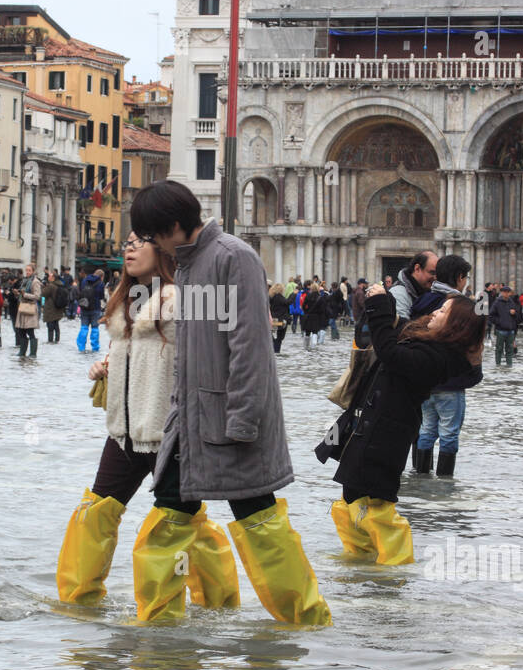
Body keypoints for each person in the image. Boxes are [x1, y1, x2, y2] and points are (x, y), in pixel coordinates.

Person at [128, 181, 331, 625]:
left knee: (261, 524)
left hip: (235, 424)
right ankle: (159, 628)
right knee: (169, 516)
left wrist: (241, 422)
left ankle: (306, 622)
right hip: (193, 425)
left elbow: (251, 347)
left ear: (175, 225)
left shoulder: (233, 257)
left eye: (154, 234)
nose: (151, 244)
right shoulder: (185, 266)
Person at [56, 232, 241, 613]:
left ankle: (178, 623)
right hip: (124, 432)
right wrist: (105, 366)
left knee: (177, 524)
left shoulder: (185, 300)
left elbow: (213, 354)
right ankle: (77, 605)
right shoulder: (124, 300)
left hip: (171, 434)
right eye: (127, 242)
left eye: (140, 242)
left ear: (164, 249)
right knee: (95, 512)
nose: (129, 249)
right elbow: (132, 356)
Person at [316, 289, 485, 564]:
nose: (435, 312)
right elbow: (389, 336)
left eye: (443, 312)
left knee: (377, 503)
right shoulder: (426, 340)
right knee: (351, 496)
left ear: (456, 325)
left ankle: (396, 569)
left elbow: (391, 353)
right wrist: (384, 308)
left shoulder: (440, 357)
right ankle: (360, 564)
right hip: (367, 427)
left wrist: (380, 307)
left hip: (385, 437)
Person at [410, 255, 481, 477]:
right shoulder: (461, 307)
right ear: (460, 278)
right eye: (465, 277)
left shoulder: (421, 302)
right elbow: (470, 344)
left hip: (424, 381)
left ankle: (421, 476)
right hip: (451, 382)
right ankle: (444, 482)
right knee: (449, 433)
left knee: (427, 429)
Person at [388, 251, 437, 325]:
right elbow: (403, 329)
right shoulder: (398, 294)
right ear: (417, 269)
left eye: (437, 274)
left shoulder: (429, 291)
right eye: (432, 273)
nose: (435, 277)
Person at [13, 263, 41, 358]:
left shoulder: (35, 282)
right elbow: (22, 294)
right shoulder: (24, 281)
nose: (27, 272)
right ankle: (22, 352)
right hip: (22, 308)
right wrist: (17, 293)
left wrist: (25, 295)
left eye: (29, 270)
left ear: (33, 271)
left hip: (30, 309)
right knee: (21, 331)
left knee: (30, 331)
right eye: (27, 270)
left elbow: (37, 296)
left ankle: (33, 353)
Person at [76, 268, 106, 353]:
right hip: (95, 308)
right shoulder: (100, 283)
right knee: (95, 328)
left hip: (84, 307)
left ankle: (81, 347)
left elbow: (80, 292)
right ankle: (95, 348)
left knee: (84, 327)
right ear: (102, 276)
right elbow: (101, 296)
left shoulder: (85, 280)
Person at [488, 286, 520, 365]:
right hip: (501, 330)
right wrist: (499, 322)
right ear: (502, 293)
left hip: (510, 330)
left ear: (509, 293)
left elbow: (518, 316)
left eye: (507, 292)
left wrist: (514, 313)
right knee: (499, 350)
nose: (506, 293)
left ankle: (509, 367)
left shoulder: (511, 302)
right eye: (504, 292)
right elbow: (491, 316)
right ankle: (498, 366)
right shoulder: (497, 303)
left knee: (510, 350)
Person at [301, 281, 327, 349]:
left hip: (308, 316)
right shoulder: (320, 297)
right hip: (316, 317)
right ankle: (314, 346)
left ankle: (306, 346)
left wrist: (306, 311)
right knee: (315, 332)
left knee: (307, 332)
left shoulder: (308, 296)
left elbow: (303, 305)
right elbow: (322, 309)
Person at [41, 270, 64, 343]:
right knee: (56, 325)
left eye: (50, 276)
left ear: (53, 277)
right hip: (58, 307)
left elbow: (43, 294)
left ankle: (50, 340)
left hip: (50, 308)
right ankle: (57, 340)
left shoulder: (51, 285)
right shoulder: (60, 284)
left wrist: (43, 287)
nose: (48, 277)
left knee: (50, 326)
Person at [269, 283, 290, 353]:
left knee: (274, 336)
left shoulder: (271, 297)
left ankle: (274, 350)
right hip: (280, 320)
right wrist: (293, 294)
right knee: (279, 338)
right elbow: (287, 302)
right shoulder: (279, 297)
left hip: (273, 320)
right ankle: (276, 351)